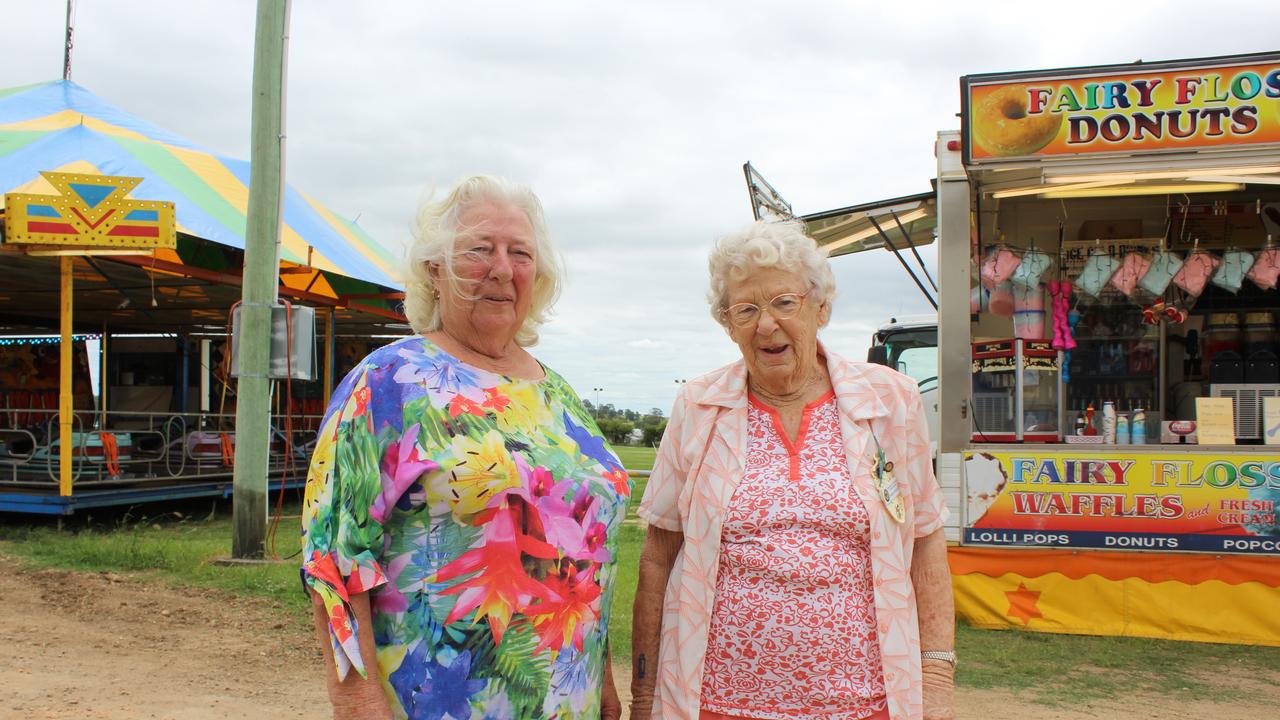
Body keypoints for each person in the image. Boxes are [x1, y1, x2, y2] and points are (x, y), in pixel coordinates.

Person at [301, 176, 630, 720]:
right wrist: (356, 702)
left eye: (519, 252)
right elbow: (333, 563)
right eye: (479, 249)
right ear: (435, 269)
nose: (502, 268)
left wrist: (606, 685)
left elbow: (585, 555)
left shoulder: (559, 395)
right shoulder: (388, 383)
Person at [629, 220, 955, 720]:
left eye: (785, 302)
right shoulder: (697, 406)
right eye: (746, 309)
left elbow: (927, 541)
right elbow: (657, 556)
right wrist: (645, 696)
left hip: (865, 704)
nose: (766, 324)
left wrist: (935, 678)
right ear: (728, 322)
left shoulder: (891, 401)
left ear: (820, 307)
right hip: (716, 704)